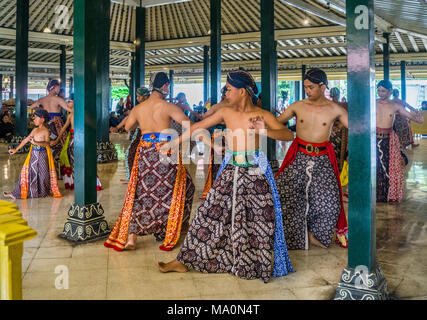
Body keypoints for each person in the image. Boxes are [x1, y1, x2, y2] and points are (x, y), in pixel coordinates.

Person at [158, 70, 294, 283]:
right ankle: (184, 260)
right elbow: (196, 127)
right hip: (231, 169)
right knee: (208, 213)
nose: (226, 92)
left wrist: (264, 130)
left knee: (260, 219)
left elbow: (288, 135)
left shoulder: (262, 115)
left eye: (229, 89)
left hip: (256, 172)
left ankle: (255, 263)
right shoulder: (226, 112)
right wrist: (173, 143)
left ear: (242, 91)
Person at [104, 72, 195, 252]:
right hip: (165, 151)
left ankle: (132, 237)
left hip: (145, 153)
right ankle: (171, 229)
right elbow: (190, 125)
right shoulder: (168, 106)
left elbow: (128, 126)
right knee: (181, 188)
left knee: (141, 192)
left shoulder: (139, 108)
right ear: (165, 86)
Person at [274, 68, 349, 250]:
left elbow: (357, 129)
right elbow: (278, 122)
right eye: (306, 87)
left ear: (323, 87)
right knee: (285, 194)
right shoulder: (298, 106)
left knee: (330, 202)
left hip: (323, 157)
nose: (307, 90)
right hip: (298, 154)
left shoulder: (335, 109)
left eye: (311, 87)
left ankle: (315, 235)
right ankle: (295, 236)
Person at [375, 80, 424, 203]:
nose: (381, 93)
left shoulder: (395, 106)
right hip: (373, 139)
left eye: (383, 91)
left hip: (388, 140)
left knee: (390, 168)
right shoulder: (373, 103)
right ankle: (376, 195)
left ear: (390, 91)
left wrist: (418, 119)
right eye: (379, 90)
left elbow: (410, 116)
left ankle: (387, 194)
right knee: (375, 168)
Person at [3, 109, 62, 200]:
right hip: (34, 154)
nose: (33, 119)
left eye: (36, 117)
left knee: (43, 174)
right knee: (29, 173)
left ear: (42, 119)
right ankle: (17, 193)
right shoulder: (34, 130)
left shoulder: (45, 131)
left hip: (42, 154)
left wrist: (36, 142)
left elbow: (47, 144)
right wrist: (16, 149)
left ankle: (44, 193)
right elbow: (26, 140)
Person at [29, 80, 72, 162]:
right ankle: (58, 166)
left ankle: (47, 164)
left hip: (46, 124)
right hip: (56, 124)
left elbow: (31, 107)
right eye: (58, 87)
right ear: (54, 87)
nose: (59, 89)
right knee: (61, 145)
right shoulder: (58, 99)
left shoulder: (42, 99)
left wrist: (41, 110)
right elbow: (69, 109)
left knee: (45, 144)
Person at [121, 87, 151, 182]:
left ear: (145, 96)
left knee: (130, 154)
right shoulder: (144, 106)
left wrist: (118, 127)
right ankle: (132, 177)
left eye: (138, 96)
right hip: (143, 133)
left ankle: (131, 179)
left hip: (143, 134)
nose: (137, 98)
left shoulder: (142, 107)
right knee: (132, 154)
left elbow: (128, 120)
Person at [328, 87, 349, 172]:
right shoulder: (344, 105)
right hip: (339, 131)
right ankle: (338, 169)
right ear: (339, 95)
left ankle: (334, 168)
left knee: (334, 150)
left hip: (332, 131)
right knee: (339, 151)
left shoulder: (327, 105)